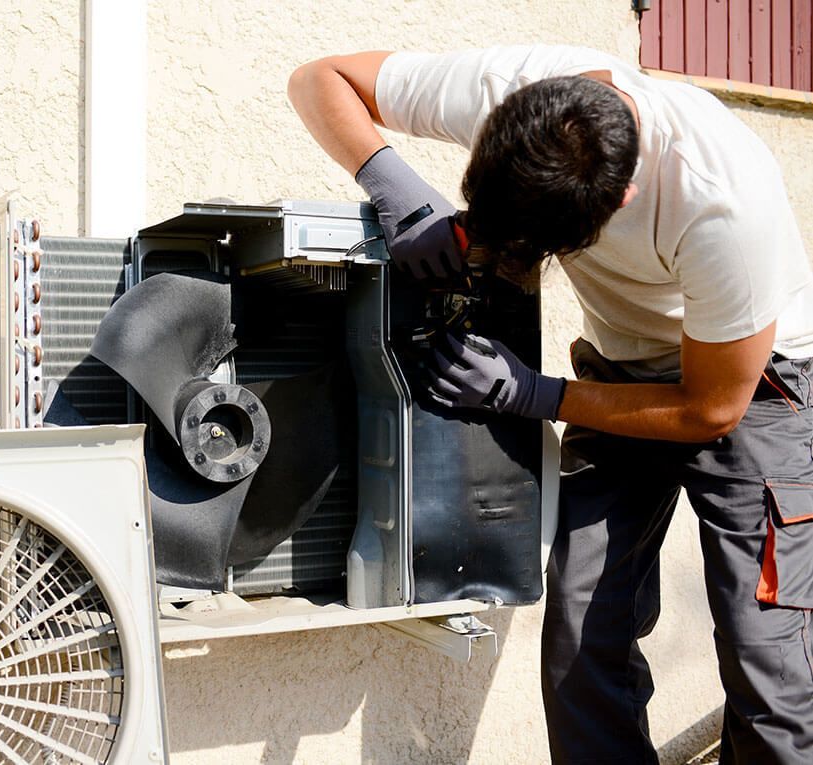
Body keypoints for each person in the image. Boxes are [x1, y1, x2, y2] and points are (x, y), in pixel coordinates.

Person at [288, 45, 813, 764]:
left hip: (751, 385)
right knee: (579, 633)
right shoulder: (513, 90)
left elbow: (710, 409)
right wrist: (391, 180)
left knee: (766, 663)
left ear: (619, 200)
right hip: (621, 371)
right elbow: (321, 79)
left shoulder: (723, 201)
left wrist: (537, 395)